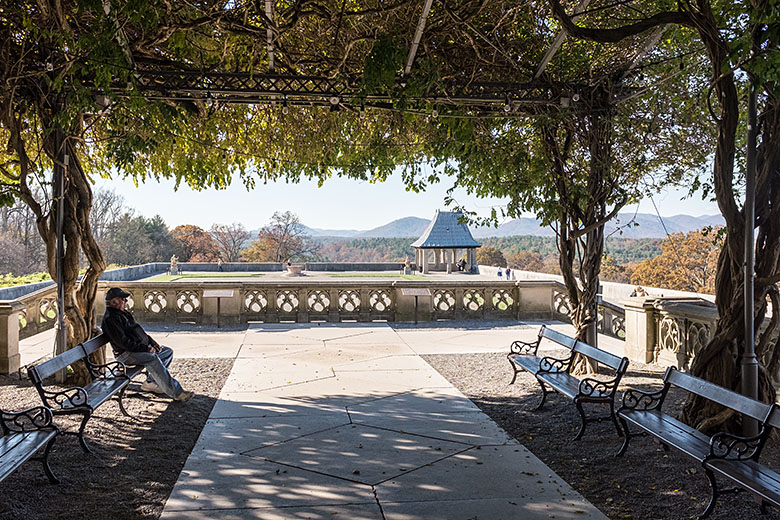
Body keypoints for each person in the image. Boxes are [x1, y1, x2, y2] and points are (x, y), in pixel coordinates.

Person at [101, 287, 194, 402]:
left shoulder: (123, 314)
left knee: (166, 352)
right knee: (152, 358)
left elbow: (138, 331)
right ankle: (177, 393)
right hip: (126, 354)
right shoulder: (111, 319)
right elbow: (124, 343)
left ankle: (151, 382)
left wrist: (152, 342)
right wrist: (145, 348)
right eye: (123, 299)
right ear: (114, 302)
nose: (126, 301)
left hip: (136, 349)